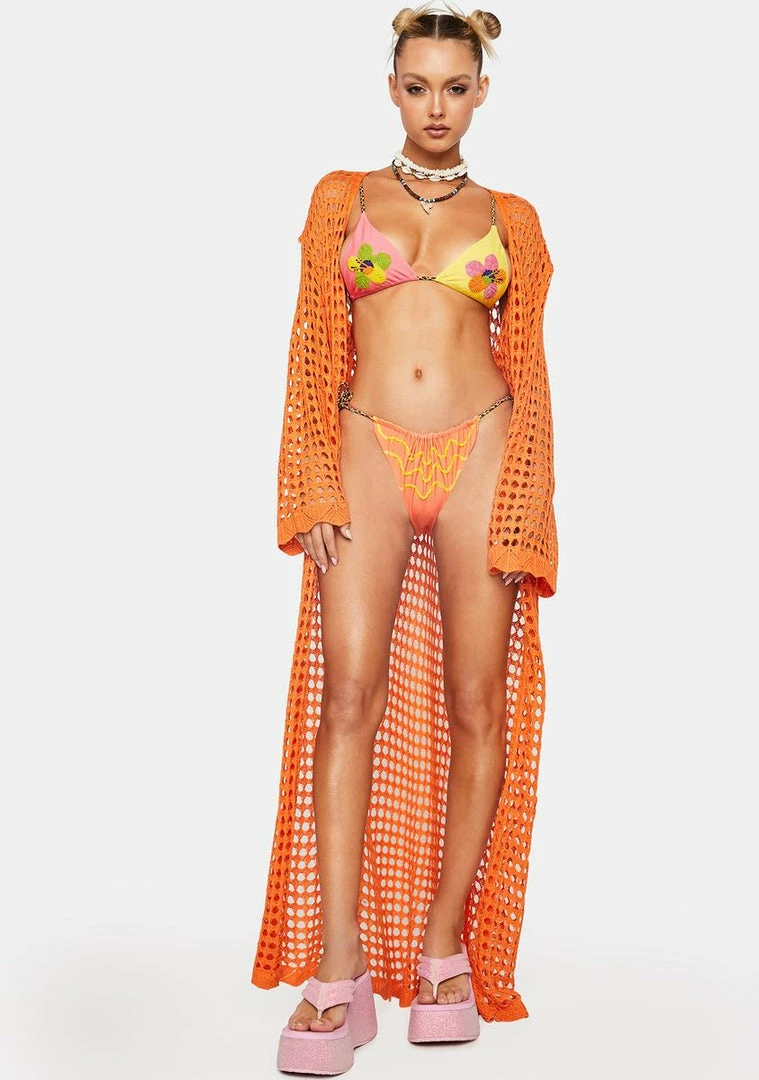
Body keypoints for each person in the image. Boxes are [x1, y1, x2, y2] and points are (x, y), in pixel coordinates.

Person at [251, 3, 558, 1073]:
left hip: (484, 448)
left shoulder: (513, 219)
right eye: (418, 86)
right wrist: (307, 485)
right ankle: (338, 972)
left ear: (481, 93)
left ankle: (441, 955)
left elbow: (529, 367)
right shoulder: (342, 198)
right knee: (349, 694)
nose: (436, 106)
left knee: (479, 704)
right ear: (393, 88)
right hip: (366, 446)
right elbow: (310, 346)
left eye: (455, 88)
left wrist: (528, 501)